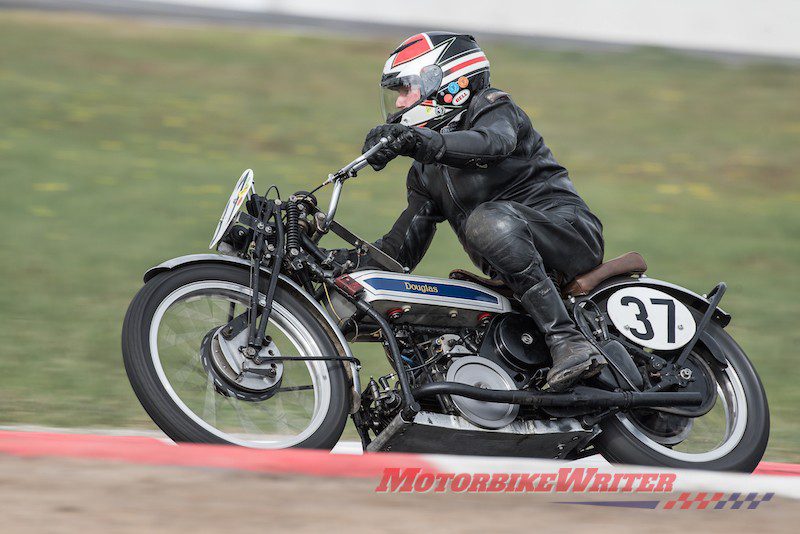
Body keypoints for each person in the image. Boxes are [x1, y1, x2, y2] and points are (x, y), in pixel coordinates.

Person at [359, 32, 606, 391]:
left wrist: (418, 141)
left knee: (487, 222)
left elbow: (493, 143)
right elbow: (402, 248)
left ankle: (569, 341)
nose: (398, 103)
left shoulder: (491, 106)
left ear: (446, 82)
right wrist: (342, 268)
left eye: (405, 88)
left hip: (566, 232)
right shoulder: (426, 173)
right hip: (511, 265)